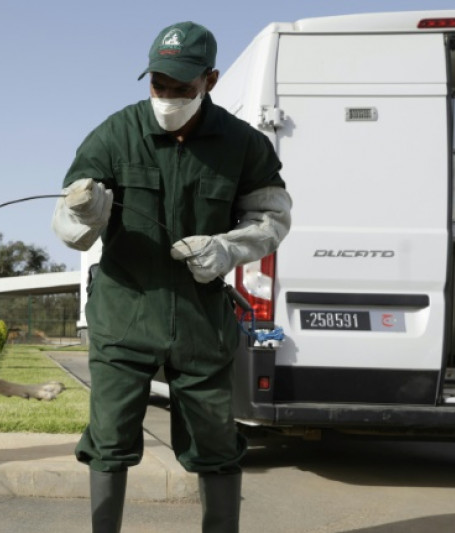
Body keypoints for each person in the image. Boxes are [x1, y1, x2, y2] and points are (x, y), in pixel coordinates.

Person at [52, 22, 292, 533]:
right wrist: (84, 212)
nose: (167, 97)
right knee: (109, 440)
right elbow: (68, 228)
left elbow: (273, 219)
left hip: (202, 322)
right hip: (123, 315)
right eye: (158, 84)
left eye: (181, 87)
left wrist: (227, 248)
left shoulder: (241, 144)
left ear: (210, 79)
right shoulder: (115, 134)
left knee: (216, 443)